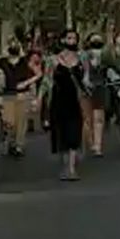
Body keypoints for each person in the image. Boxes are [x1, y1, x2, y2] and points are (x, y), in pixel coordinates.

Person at [49, 29, 86, 181]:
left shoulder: (82, 58)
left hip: (76, 101)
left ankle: (71, 169)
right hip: (58, 100)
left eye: (74, 38)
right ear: (63, 40)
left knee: (74, 134)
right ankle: (65, 166)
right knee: (61, 134)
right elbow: (47, 81)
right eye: (69, 38)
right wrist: (38, 99)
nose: (72, 41)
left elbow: (86, 79)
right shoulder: (54, 60)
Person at [0, 39, 40, 156]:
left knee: (21, 121)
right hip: (8, 94)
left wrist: (26, 83)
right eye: (11, 44)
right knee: (9, 121)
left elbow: (39, 73)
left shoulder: (25, 61)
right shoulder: (2, 62)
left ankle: (18, 145)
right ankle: (11, 142)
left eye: (16, 44)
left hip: (22, 94)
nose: (13, 46)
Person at [80, 32, 108, 156]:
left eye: (99, 39)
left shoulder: (105, 55)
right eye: (94, 39)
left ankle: (97, 145)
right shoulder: (83, 56)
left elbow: (111, 68)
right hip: (86, 88)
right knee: (87, 118)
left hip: (100, 87)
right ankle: (90, 141)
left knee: (98, 118)